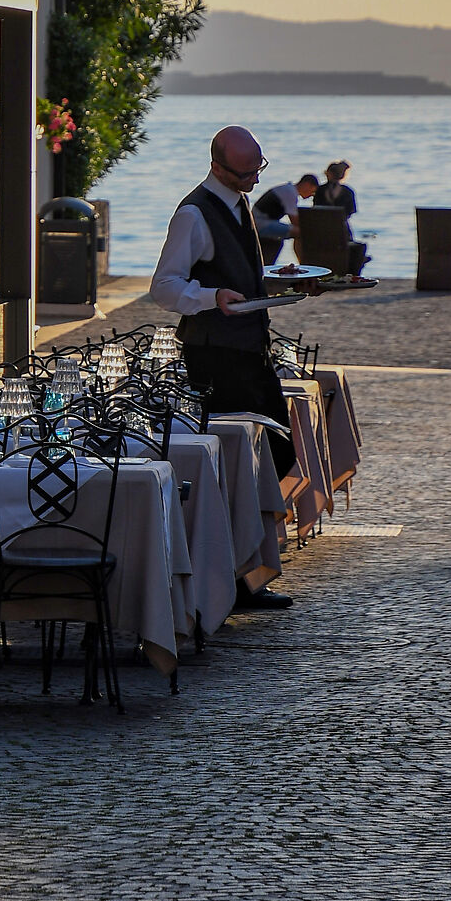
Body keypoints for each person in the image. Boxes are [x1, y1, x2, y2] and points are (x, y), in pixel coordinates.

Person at [150, 123, 298, 612]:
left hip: (247, 349)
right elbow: (165, 287)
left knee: (276, 455)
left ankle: (241, 572)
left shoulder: (239, 206)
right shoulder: (194, 213)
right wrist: (212, 297)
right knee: (239, 466)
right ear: (218, 166)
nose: (255, 180)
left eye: (260, 168)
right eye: (245, 171)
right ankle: (231, 580)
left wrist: (281, 284)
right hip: (214, 355)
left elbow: (240, 274)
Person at [313, 159, 373, 285]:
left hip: (320, 233)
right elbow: (351, 212)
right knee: (358, 247)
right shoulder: (347, 192)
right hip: (341, 233)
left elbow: (316, 210)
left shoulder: (320, 190)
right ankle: (353, 273)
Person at [252, 171, 318, 264]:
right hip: (260, 223)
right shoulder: (290, 193)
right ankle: (303, 263)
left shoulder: (288, 189)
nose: (311, 195)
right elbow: (295, 221)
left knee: (297, 232)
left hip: (262, 221)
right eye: (312, 191)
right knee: (300, 233)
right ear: (307, 185)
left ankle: (303, 262)